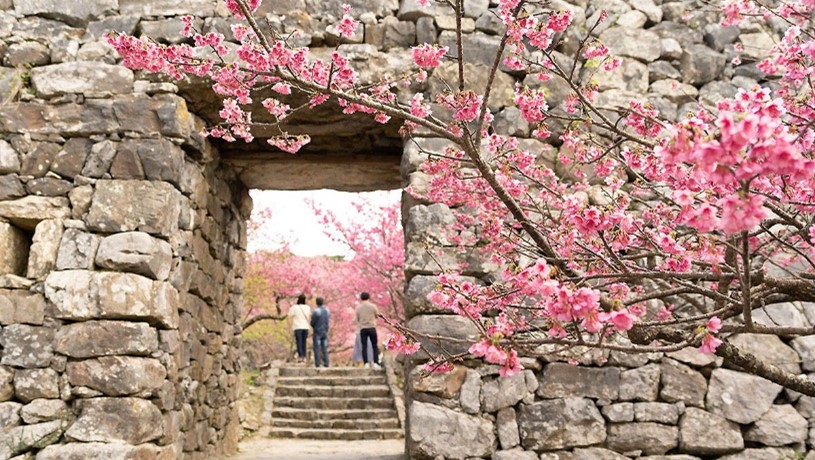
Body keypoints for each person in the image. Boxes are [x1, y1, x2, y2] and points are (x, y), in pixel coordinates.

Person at [354, 292, 380, 368]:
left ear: (361, 298)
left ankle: (366, 363)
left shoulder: (358, 308)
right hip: (372, 327)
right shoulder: (373, 306)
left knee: (364, 346)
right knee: (374, 345)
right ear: (369, 297)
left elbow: (357, 319)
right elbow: (377, 316)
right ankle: (376, 362)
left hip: (363, 328)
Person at [288, 294, 311, 363]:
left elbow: (289, 315)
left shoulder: (294, 307)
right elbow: (309, 316)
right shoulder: (307, 307)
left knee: (299, 342)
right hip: (305, 327)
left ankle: (300, 356)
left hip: (297, 327)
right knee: (304, 342)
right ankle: (304, 356)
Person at [310, 297, 330, 368]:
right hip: (325, 331)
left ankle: (317, 364)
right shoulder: (327, 311)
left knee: (317, 348)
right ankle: (326, 363)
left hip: (317, 332)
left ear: (316, 303)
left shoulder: (316, 311)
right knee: (324, 348)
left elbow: (312, 322)